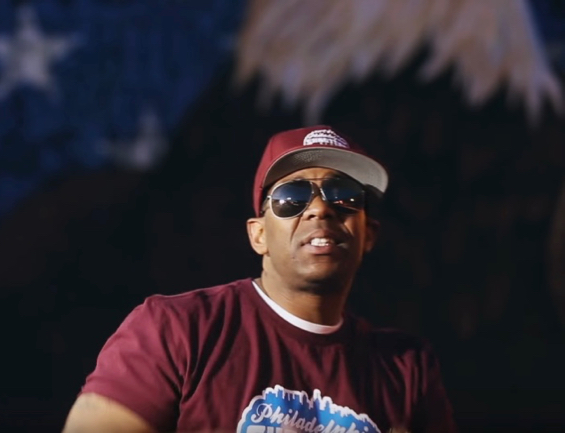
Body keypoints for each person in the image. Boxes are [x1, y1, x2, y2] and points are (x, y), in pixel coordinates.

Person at [62, 125, 457, 433]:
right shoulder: (176, 329)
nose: (320, 209)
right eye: (292, 198)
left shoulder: (407, 369)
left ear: (368, 233)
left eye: (344, 195)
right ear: (259, 235)